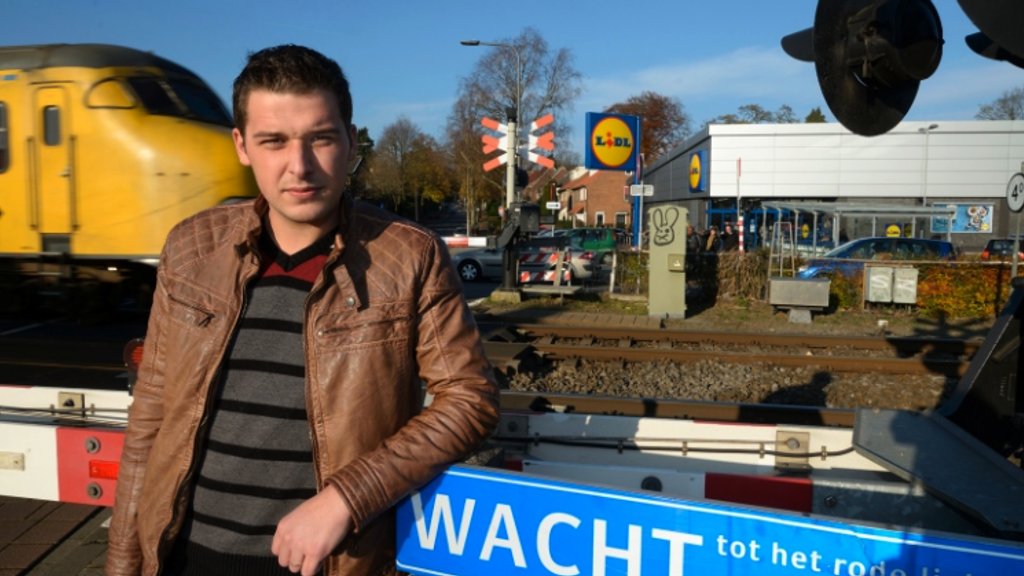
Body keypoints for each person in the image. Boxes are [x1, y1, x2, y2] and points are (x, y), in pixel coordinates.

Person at [105, 45, 500, 576]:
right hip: (182, 554)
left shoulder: (409, 256)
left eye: (321, 138)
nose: (300, 166)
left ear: (351, 141)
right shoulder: (192, 247)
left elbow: (469, 399)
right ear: (242, 146)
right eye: (274, 141)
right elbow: (151, 415)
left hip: (324, 561)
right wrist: (124, 561)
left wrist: (348, 497)